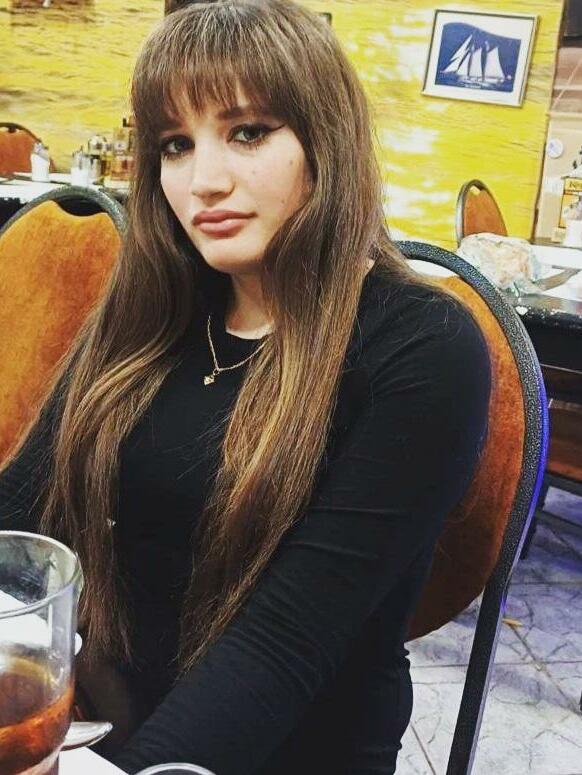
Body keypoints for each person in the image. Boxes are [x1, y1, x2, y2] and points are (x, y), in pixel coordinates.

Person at [0, 1, 491, 773]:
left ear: (325, 140)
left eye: (249, 132)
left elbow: (283, 643)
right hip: (105, 728)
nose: (204, 181)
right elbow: (20, 509)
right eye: (175, 144)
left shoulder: (423, 348)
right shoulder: (151, 309)